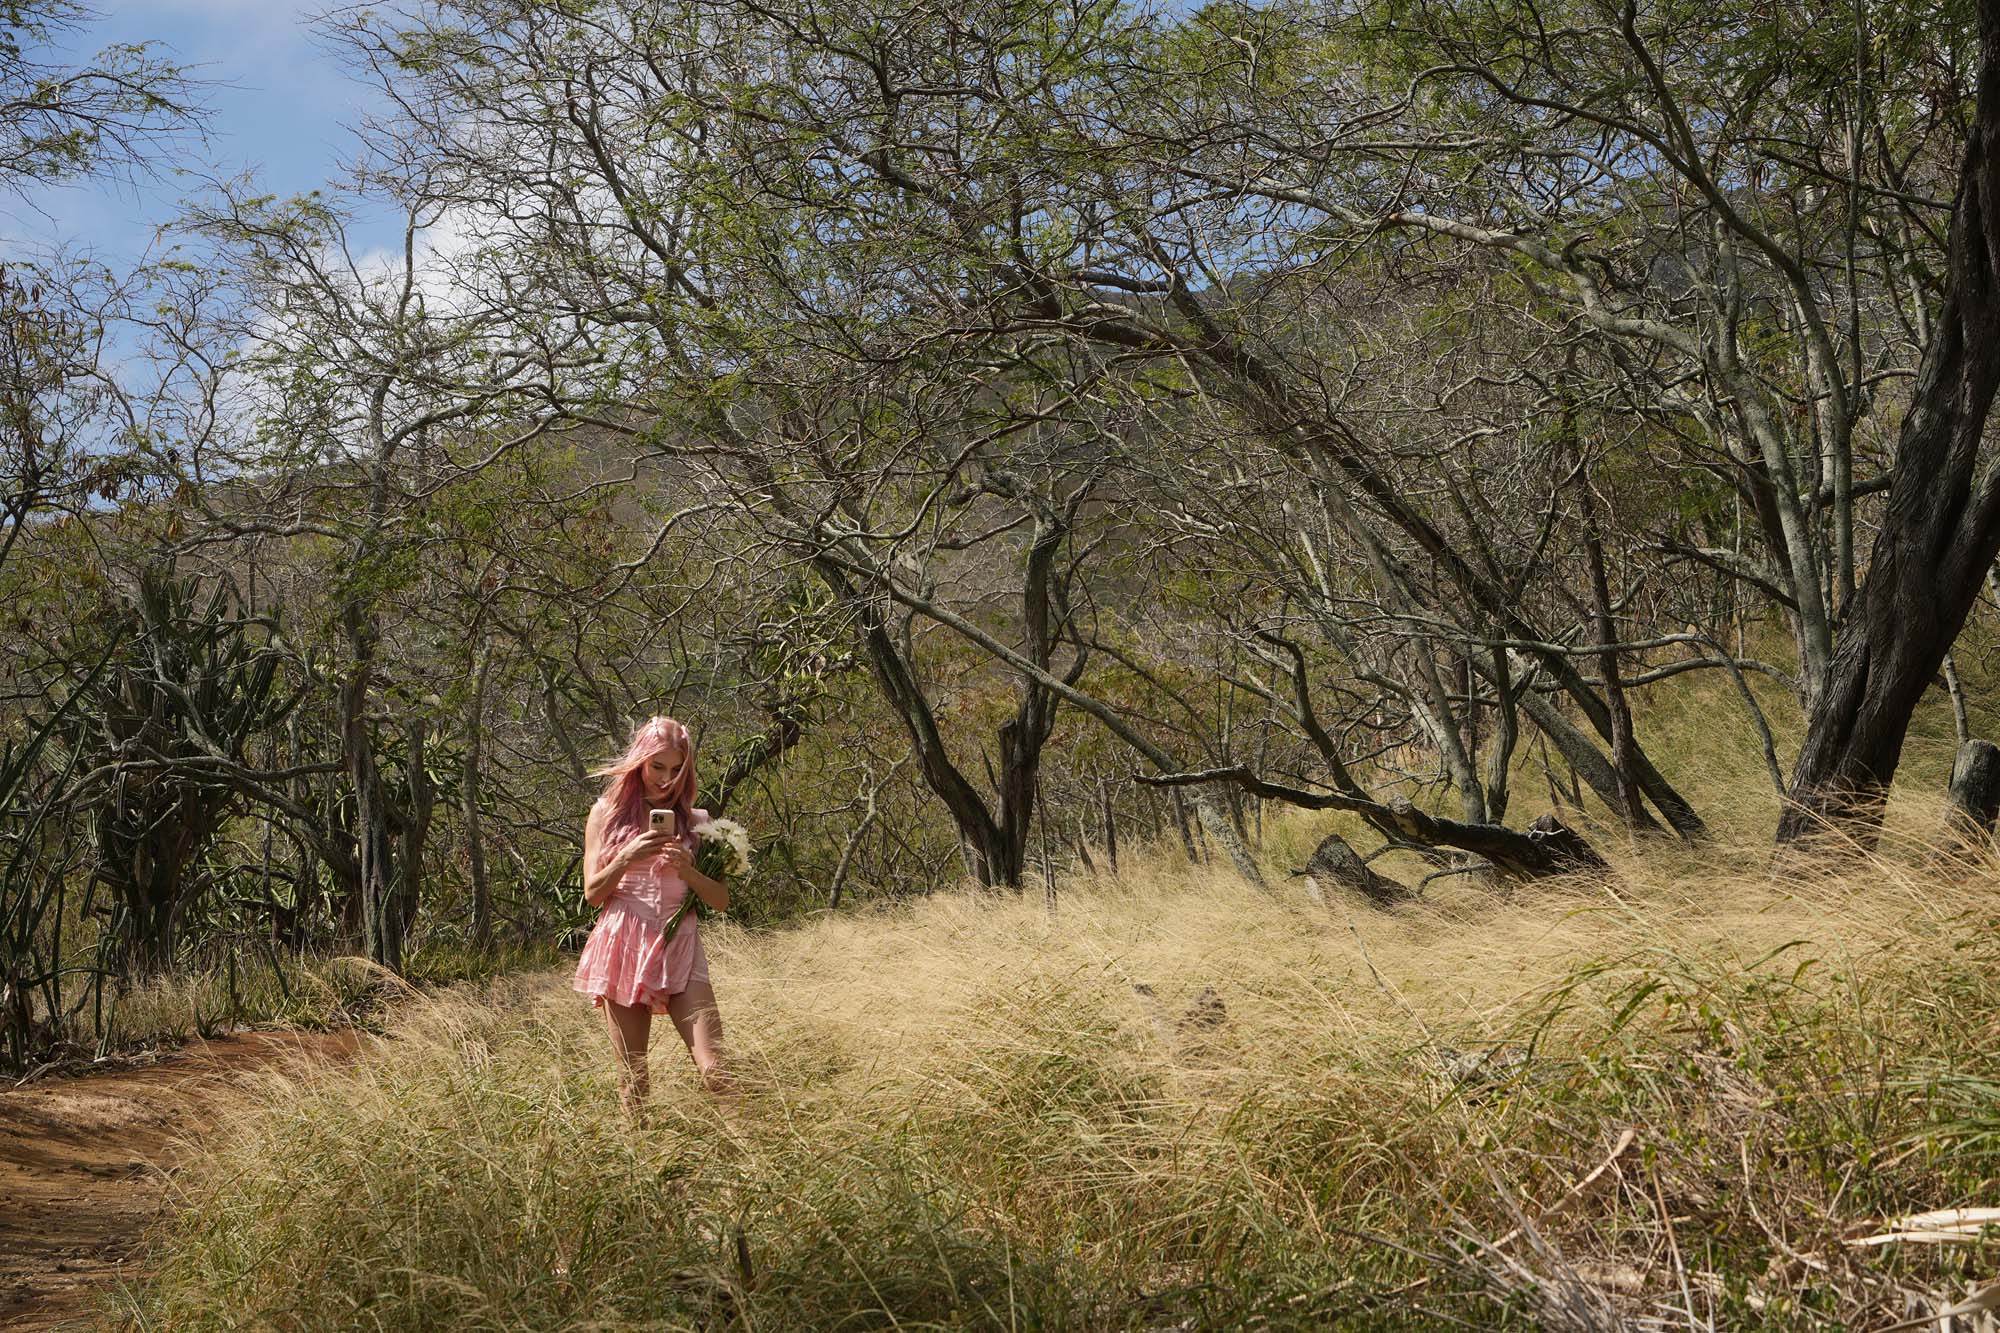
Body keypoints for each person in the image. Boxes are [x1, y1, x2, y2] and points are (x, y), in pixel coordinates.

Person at [573, 716, 731, 1113]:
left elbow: (721, 901)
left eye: (677, 769)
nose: (666, 779)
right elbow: (593, 893)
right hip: (623, 945)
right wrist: (627, 857)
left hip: (681, 946)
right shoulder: (605, 813)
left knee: (718, 1071)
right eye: (657, 767)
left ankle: (755, 1162)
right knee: (634, 1081)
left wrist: (689, 870)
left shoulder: (699, 822)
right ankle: (641, 1168)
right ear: (640, 761)